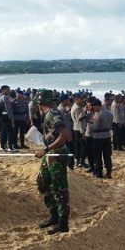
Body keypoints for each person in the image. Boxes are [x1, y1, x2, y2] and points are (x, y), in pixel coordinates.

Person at [33, 89, 72, 235]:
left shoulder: (53, 114)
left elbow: (64, 136)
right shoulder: (49, 114)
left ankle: (63, 223)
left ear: (40, 102)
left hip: (57, 153)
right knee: (42, 182)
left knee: (60, 189)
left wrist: (46, 149)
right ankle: (54, 215)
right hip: (50, 153)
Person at [86, 97, 114, 178]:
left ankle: (99, 173)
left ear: (97, 106)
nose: (93, 109)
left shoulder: (98, 114)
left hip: (98, 137)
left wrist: (89, 122)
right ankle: (108, 172)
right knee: (107, 156)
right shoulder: (109, 113)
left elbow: (95, 127)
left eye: (93, 107)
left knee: (98, 156)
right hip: (107, 135)